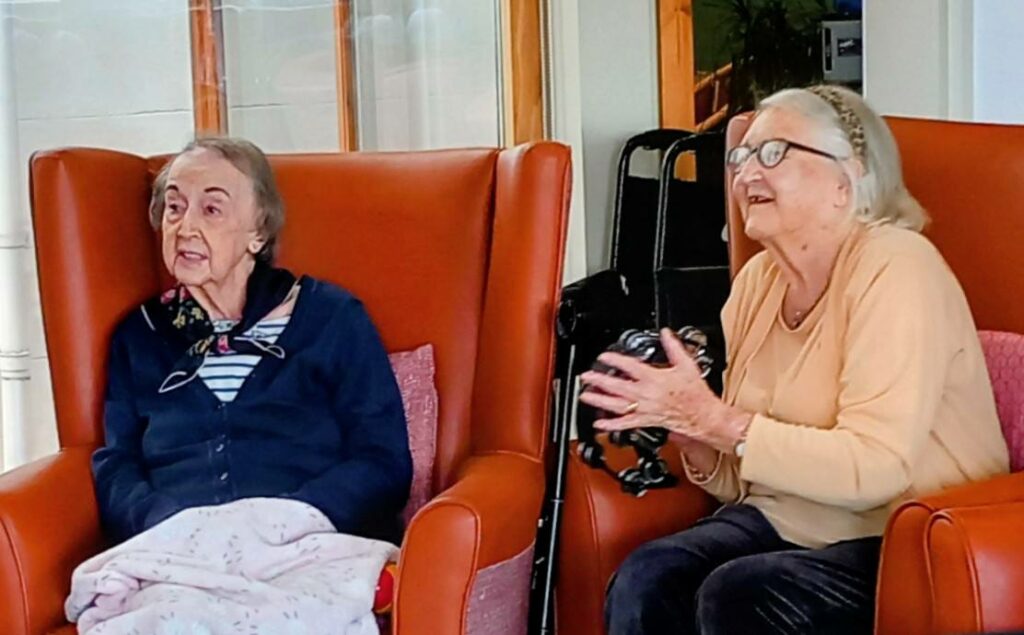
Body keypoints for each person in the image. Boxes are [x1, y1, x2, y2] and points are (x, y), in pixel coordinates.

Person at [582, 85, 1010, 635]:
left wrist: (716, 421)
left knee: (740, 595)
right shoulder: (757, 282)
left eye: (774, 152)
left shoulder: (898, 267)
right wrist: (688, 428)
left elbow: (876, 468)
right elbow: (744, 479)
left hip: (908, 536)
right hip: (791, 523)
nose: (744, 174)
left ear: (845, 179)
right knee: (650, 577)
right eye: (739, 157)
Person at [93, 137, 412, 547]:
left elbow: (383, 461)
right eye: (174, 207)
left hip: (307, 548)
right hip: (178, 556)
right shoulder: (140, 335)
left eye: (211, 209)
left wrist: (287, 521)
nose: (184, 227)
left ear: (258, 232)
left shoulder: (330, 318)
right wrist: (170, 527)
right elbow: (117, 466)